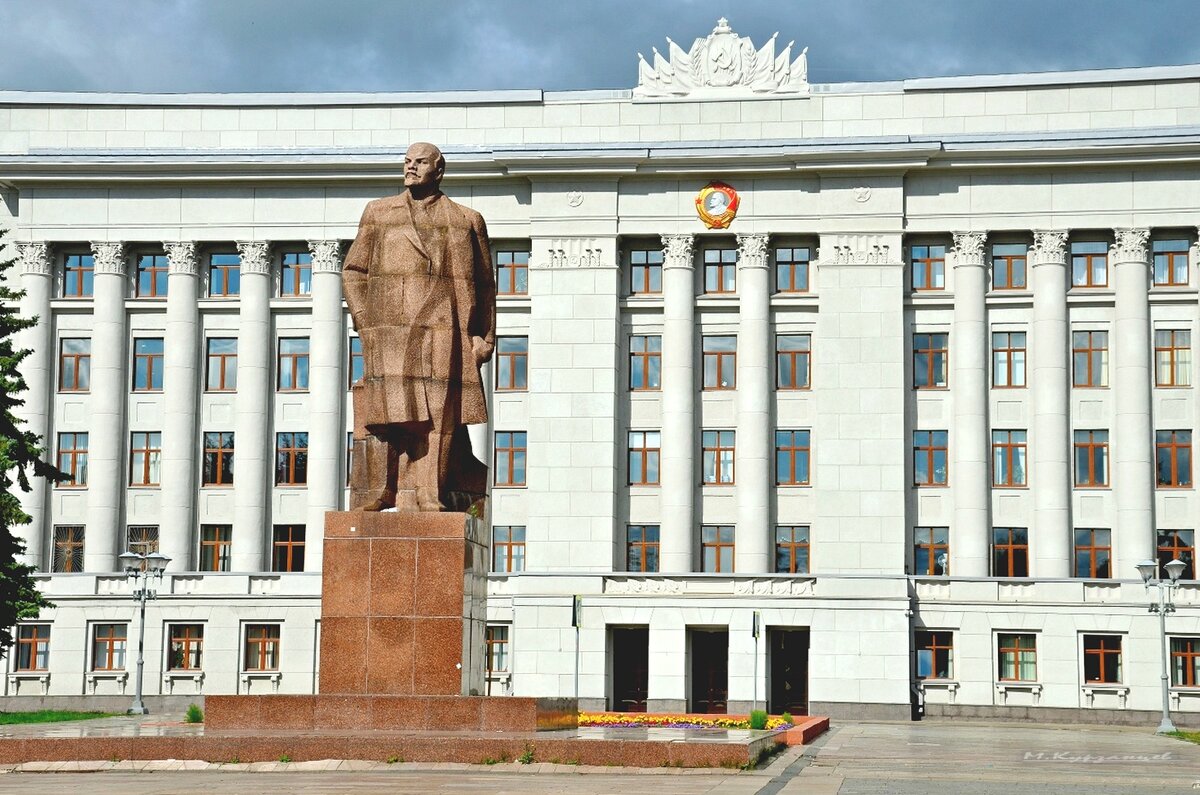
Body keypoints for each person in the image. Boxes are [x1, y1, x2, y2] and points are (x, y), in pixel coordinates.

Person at [343, 142, 496, 511]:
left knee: (440, 413)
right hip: (391, 333)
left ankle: (430, 492)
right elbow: (354, 271)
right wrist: (367, 323)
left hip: (446, 329)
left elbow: (484, 284)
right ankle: (384, 489)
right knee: (387, 412)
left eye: (420, 162)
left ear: (438, 170)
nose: (410, 168)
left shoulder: (466, 220)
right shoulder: (379, 212)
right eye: (407, 161)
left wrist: (485, 337)